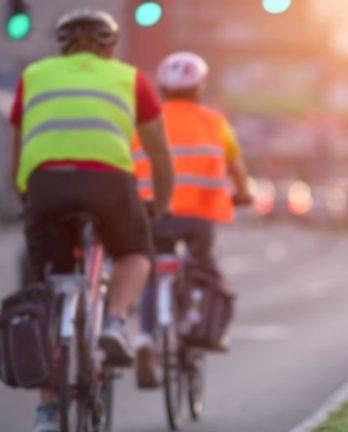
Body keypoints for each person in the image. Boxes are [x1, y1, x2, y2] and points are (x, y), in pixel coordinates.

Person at [7, 9, 174, 431]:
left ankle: (46, 410)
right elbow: (159, 153)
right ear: (111, 46)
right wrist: (161, 204)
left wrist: (25, 195)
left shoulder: (35, 75)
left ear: (62, 46)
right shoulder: (131, 78)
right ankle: (115, 321)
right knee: (135, 252)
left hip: (46, 186)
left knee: (47, 288)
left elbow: (18, 147)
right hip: (109, 184)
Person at [131, 52, 251, 388]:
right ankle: (196, 317)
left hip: (153, 213)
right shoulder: (215, 122)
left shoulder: (144, 121)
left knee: (153, 272)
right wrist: (243, 193)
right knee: (202, 269)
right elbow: (237, 168)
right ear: (200, 87)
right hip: (198, 217)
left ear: (162, 89)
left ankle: (145, 339)